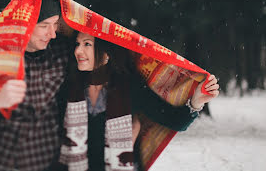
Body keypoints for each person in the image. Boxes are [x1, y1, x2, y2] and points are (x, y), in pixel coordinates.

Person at [59, 32, 220, 171]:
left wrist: (197, 100)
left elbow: (175, 120)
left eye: (87, 44)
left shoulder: (129, 87)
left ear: (107, 53)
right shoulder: (71, 87)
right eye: (77, 44)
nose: (78, 50)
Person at [0, 0, 71, 171]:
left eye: (55, 24)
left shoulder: (62, 52)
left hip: (47, 161)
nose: (52, 34)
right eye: (44, 26)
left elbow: (104, 53)